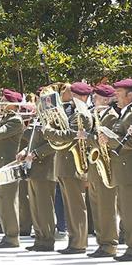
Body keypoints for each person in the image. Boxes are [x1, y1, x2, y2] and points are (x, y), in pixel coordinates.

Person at [43, 81, 93, 255]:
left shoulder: (83, 115)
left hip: (74, 165)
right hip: (64, 164)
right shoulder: (70, 111)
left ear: (84, 97)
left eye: (76, 95)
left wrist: (49, 131)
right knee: (69, 206)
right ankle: (74, 241)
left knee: (76, 206)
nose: (72, 98)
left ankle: (79, 243)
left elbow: (70, 136)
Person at [103, 78, 132, 261]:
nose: (116, 96)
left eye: (119, 93)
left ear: (130, 95)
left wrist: (108, 139)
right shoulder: (124, 113)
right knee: (126, 212)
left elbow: (131, 142)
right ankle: (131, 247)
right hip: (123, 169)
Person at [0, 88, 27, 248]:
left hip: (7, 165)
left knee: (9, 202)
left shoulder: (15, 120)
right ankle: (7, 234)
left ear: (12, 104)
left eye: (4, 100)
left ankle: (13, 236)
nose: (1, 103)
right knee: (2, 202)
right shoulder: (3, 118)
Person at [21, 86, 59, 252]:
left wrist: (35, 153)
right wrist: (24, 151)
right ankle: (39, 238)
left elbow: (54, 143)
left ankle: (47, 240)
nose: (38, 101)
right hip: (34, 168)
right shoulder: (39, 117)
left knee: (44, 207)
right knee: (36, 207)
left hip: (46, 168)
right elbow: (32, 140)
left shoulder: (54, 118)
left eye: (41, 98)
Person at [86, 83, 120, 259]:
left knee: (106, 208)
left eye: (97, 97)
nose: (94, 100)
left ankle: (110, 244)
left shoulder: (111, 117)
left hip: (106, 168)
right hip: (95, 167)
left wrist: (87, 136)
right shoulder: (96, 115)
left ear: (106, 100)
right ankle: (102, 242)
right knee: (97, 207)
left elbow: (102, 141)